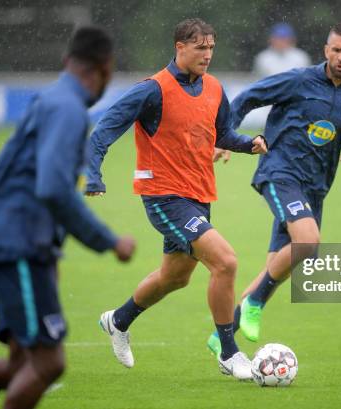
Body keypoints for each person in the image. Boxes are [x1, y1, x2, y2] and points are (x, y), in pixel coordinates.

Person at [0, 27, 134, 409]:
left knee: (19, 367)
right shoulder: (68, 109)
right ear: (105, 69)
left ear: (66, 61)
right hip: (20, 246)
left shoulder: (49, 99)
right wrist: (108, 241)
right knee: (48, 364)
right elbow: (54, 189)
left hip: (15, 242)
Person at [85, 18, 267, 380]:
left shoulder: (214, 87)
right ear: (179, 47)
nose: (207, 54)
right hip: (163, 196)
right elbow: (103, 131)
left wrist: (248, 144)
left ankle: (117, 321)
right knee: (226, 262)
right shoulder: (152, 90)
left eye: (211, 47)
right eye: (200, 47)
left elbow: (222, 133)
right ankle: (230, 354)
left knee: (175, 277)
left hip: (199, 194)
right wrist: (94, 175)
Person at [206, 21, 341, 354]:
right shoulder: (299, 79)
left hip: (316, 188)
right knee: (309, 242)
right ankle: (254, 303)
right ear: (326, 50)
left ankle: (221, 338)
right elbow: (247, 98)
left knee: (279, 266)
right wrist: (225, 137)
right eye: (336, 50)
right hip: (280, 173)